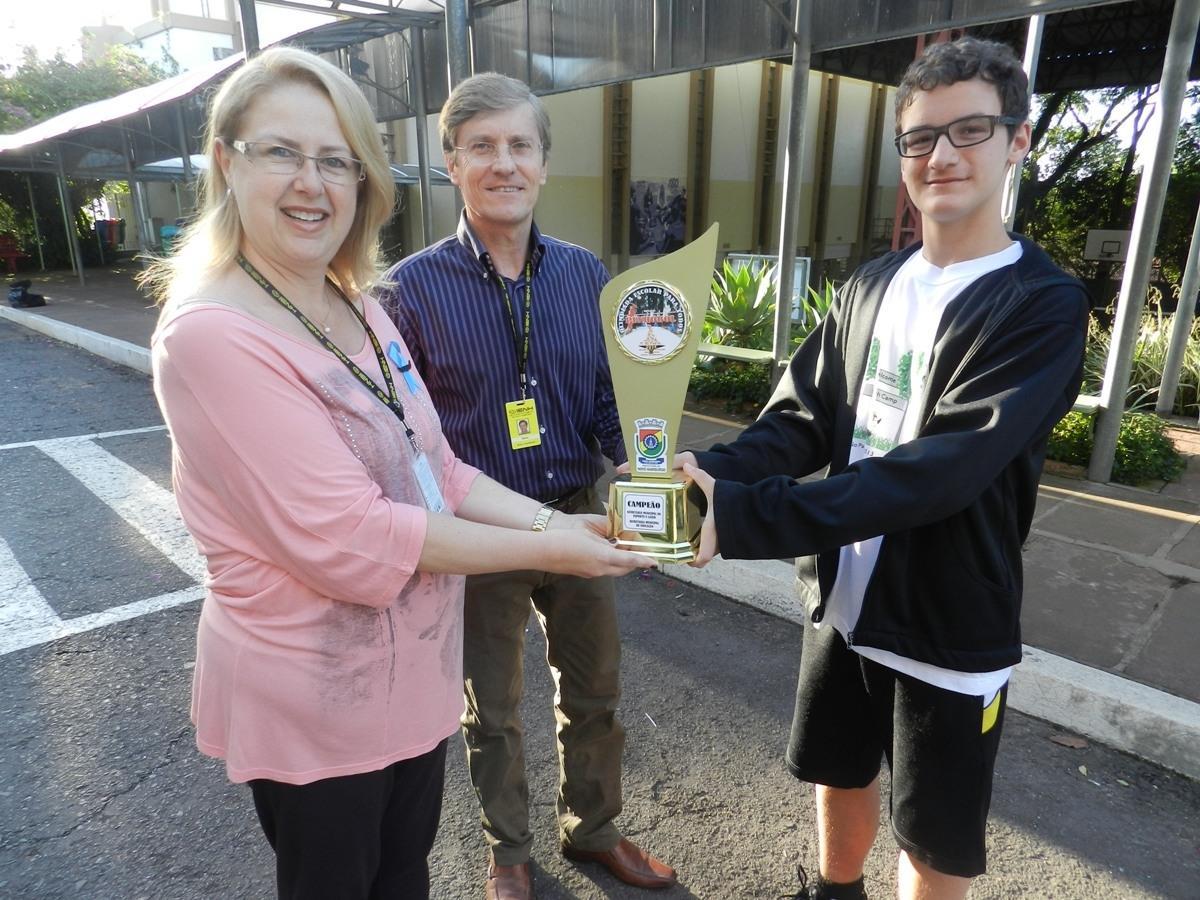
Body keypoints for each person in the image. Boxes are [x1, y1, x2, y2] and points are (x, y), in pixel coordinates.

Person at [143, 47, 653, 900]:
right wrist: (558, 545)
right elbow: (354, 533)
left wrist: (566, 525)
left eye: (335, 159)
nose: (313, 182)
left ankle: (588, 832)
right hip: (320, 704)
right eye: (283, 152)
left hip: (410, 684)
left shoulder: (360, 306)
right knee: (365, 856)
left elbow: (438, 467)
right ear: (226, 162)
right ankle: (511, 854)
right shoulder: (219, 333)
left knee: (404, 874)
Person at [677, 37, 1089, 900]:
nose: (940, 156)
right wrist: (696, 480)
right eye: (919, 137)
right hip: (844, 596)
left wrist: (746, 516)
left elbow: (939, 471)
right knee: (840, 765)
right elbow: (796, 420)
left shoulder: (1040, 305)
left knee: (936, 831)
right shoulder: (873, 284)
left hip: (947, 623)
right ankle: (834, 892)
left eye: (969, 130)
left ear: (1017, 142)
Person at [379, 73, 677, 899]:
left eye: (519, 145)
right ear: (452, 164)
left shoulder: (587, 275)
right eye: (482, 147)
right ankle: (508, 852)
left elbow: (614, 404)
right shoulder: (405, 293)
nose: (502, 163)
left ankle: (596, 831)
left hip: (581, 517)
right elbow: (404, 442)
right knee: (493, 711)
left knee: (597, 691)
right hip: (485, 532)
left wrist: (650, 470)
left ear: (545, 162)